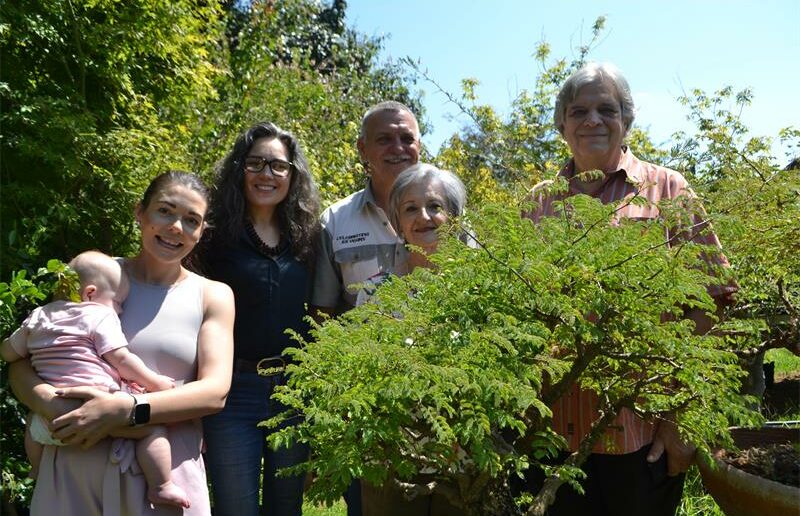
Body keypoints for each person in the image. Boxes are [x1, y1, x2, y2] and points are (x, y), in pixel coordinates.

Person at [520, 62, 737, 515]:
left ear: (627, 120)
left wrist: (681, 421)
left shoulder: (668, 190)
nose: (592, 120)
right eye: (579, 111)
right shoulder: (537, 202)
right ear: (562, 124)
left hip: (642, 436)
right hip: (550, 434)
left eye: (607, 109)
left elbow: (712, 305)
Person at [9, 171, 235, 516]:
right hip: (74, 467)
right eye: (165, 211)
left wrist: (127, 409)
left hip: (165, 478)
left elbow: (214, 391)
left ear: (202, 231)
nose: (176, 226)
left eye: (192, 220)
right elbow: (26, 356)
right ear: (140, 212)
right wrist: (51, 405)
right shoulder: (93, 274)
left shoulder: (212, 294)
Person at [197, 122, 320, 516]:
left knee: (287, 509)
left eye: (278, 166)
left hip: (293, 393)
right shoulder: (212, 237)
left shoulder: (307, 238)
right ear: (239, 169)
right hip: (231, 392)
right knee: (236, 509)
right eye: (256, 163)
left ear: (292, 175)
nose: (267, 174)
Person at [1, 250, 190, 508]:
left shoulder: (38, 316)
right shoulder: (97, 315)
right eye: (119, 302)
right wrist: (155, 383)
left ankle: (35, 469)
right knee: (154, 431)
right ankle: (161, 486)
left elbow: (9, 353)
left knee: (31, 427)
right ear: (90, 293)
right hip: (97, 408)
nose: (120, 309)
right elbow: (121, 359)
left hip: (48, 419)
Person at [312, 100, 421, 515]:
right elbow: (322, 315)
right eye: (384, 139)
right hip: (368, 400)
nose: (397, 147)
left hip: (442, 393)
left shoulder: (449, 209)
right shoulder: (335, 221)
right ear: (362, 150)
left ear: (419, 145)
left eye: (406, 138)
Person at [358, 163, 467, 516]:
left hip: (466, 452)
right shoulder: (374, 290)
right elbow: (361, 371)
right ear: (398, 223)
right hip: (392, 454)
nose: (424, 217)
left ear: (455, 216)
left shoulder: (481, 290)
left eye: (435, 206)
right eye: (410, 208)